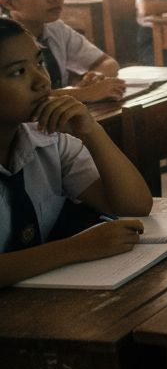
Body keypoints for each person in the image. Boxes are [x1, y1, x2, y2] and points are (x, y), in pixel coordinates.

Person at [0, 17, 152, 287]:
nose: (42, 81)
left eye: (39, 63)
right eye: (18, 72)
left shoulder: (46, 137)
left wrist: (91, 131)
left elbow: (134, 206)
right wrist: (76, 248)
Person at [0, 0, 124, 103]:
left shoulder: (55, 28)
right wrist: (85, 93)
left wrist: (96, 76)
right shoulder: (5, 39)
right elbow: (20, 100)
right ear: (8, 3)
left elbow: (107, 62)